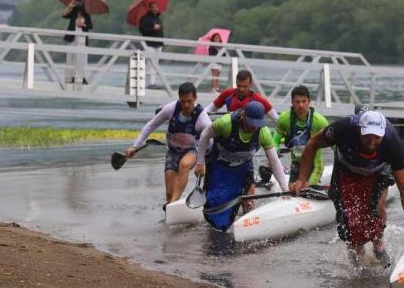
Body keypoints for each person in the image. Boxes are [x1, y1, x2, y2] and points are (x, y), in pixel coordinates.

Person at [290, 110, 404, 266]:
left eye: (376, 137)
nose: (371, 142)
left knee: (377, 207)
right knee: (349, 217)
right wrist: (301, 179)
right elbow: (313, 143)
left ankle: (378, 244)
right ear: (359, 129)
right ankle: (357, 257)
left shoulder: (392, 143)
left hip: (378, 170)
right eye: (367, 136)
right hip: (346, 168)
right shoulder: (342, 129)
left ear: (382, 133)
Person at [194, 101, 288, 230]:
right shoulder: (226, 123)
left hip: (243, 167)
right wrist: (200, 163)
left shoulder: (263, 133)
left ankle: (249, 228)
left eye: (257, 124)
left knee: (248, 200)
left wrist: (284, 189)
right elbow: (205, 135)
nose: (254, 127)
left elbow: (274, 162)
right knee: (214, 206)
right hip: (219, 165)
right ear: (243, 115)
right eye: (251, 123)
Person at [124, 82, 211, 206]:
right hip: (173, 152)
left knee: (184, 165)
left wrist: (201, 163)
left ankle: (172, 205)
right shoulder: (171, 109)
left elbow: (209, 141)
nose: (186, 105)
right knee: (169, 194)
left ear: (195, 98)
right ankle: (172, 203)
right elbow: (151, 125)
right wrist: (135, 146)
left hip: (192, 151)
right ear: (179, 98)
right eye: (183, 101)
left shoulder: (202, 118)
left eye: (189, 101)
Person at [273, 85, 328, 186]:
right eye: (297, 102)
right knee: (291, 191)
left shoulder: (320, 121)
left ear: (309, 102)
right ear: (292, 102)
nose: (301, 105)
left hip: (315, 165)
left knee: (305, 190)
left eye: (304, 101)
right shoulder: (284, 119)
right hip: (296, 163)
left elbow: (335, 145)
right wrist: (275, 158)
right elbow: (274, 141)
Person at [61, 0, 91, 85]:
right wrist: (69, 7)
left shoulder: (86, 15)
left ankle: (82, 77)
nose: (78, 5)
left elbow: (90, 26)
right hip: (73, 38)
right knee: (71, 57)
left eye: (79, 4)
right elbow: (63, 15)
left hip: (82, 38)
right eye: (77, 3)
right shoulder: (73, 13)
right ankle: (70, 77)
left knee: (82, 58)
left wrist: (83, 25)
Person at [139, 2, 165, 87]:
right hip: (149, 44)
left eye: (156, 7)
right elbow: (142, 31)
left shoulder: (158, 18)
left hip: (159, 44)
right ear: (149, 8)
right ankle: (151, 83)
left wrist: (162, 42)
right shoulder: (144, 19)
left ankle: (149, 83)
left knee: (155, 65)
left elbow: (160, 31)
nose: (155, 9)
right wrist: (153, 29)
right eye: (153, 7)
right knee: (151, 64)